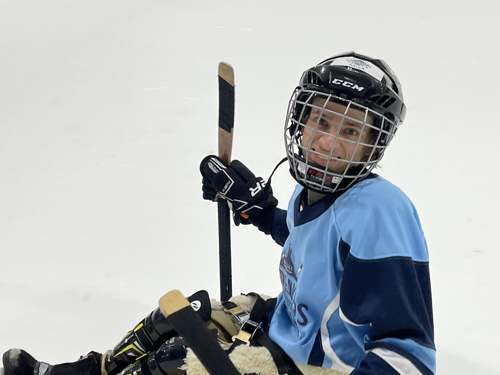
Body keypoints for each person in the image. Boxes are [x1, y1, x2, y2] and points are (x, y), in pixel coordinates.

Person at [2, 52, 436, 375]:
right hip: (289, 328)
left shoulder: (380, 209)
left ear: (372, 146)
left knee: (177, 364)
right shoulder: (319, 192)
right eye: (321, 122)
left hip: (326, 365)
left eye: (351, 130)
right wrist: (261, 210)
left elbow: (409, 352)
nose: (328, 142)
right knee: (180, 316)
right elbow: (318, 251)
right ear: (300, 122)